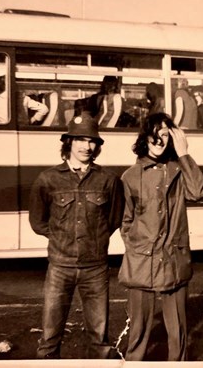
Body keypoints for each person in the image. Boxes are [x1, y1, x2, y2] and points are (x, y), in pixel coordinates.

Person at [29, 113, 125, 359]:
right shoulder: (48, 179)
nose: (87, 146)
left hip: (95, 269)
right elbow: (38, 222)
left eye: (92, 140)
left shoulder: (108, 180)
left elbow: (114, 219)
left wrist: (94, 241)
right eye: (80, 139)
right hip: (60, 267)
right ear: (69, 142)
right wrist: (63, 238)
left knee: (100, 340)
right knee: (49, 338)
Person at [118, 112, 203, 361]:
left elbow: (199, 190)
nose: (160, 141)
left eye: (166, 136)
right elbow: (125, 222)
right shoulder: (130, 176)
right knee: (138, 332)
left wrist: (184, 153)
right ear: (145, 137)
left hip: (174, 262)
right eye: (154, 135)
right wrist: (138, 247)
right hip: (141, 263)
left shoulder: (179, 170)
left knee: (178, 331)